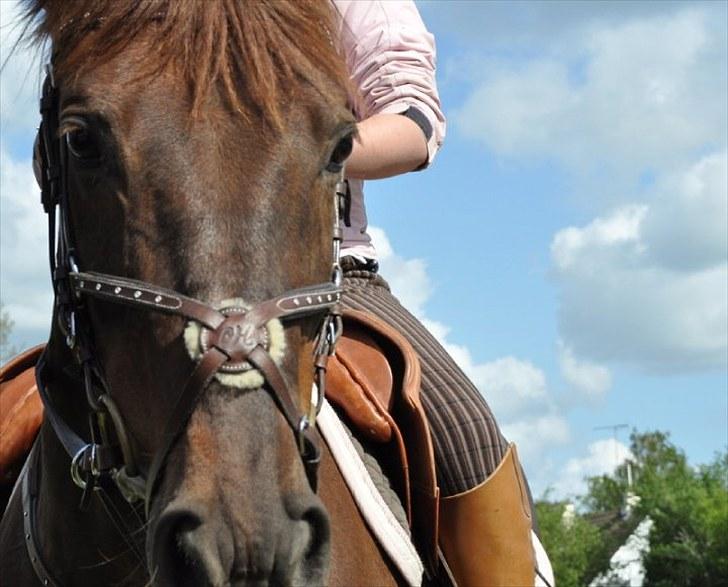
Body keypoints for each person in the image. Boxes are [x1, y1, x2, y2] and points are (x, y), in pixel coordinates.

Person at [332, 2, 553, 585]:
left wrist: (295, 152)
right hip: (147, 280)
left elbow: (412, 120)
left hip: (322, 275)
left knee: (467, 439)